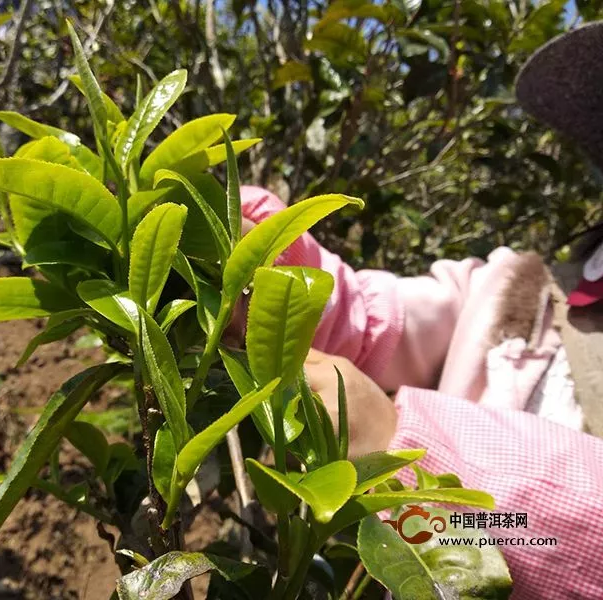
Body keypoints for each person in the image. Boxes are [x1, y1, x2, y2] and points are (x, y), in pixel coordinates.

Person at [239, 23, 603, 600]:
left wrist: (408, 456)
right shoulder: (531, 298)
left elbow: (547, 539)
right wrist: (270, 256)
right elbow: (378, 320)